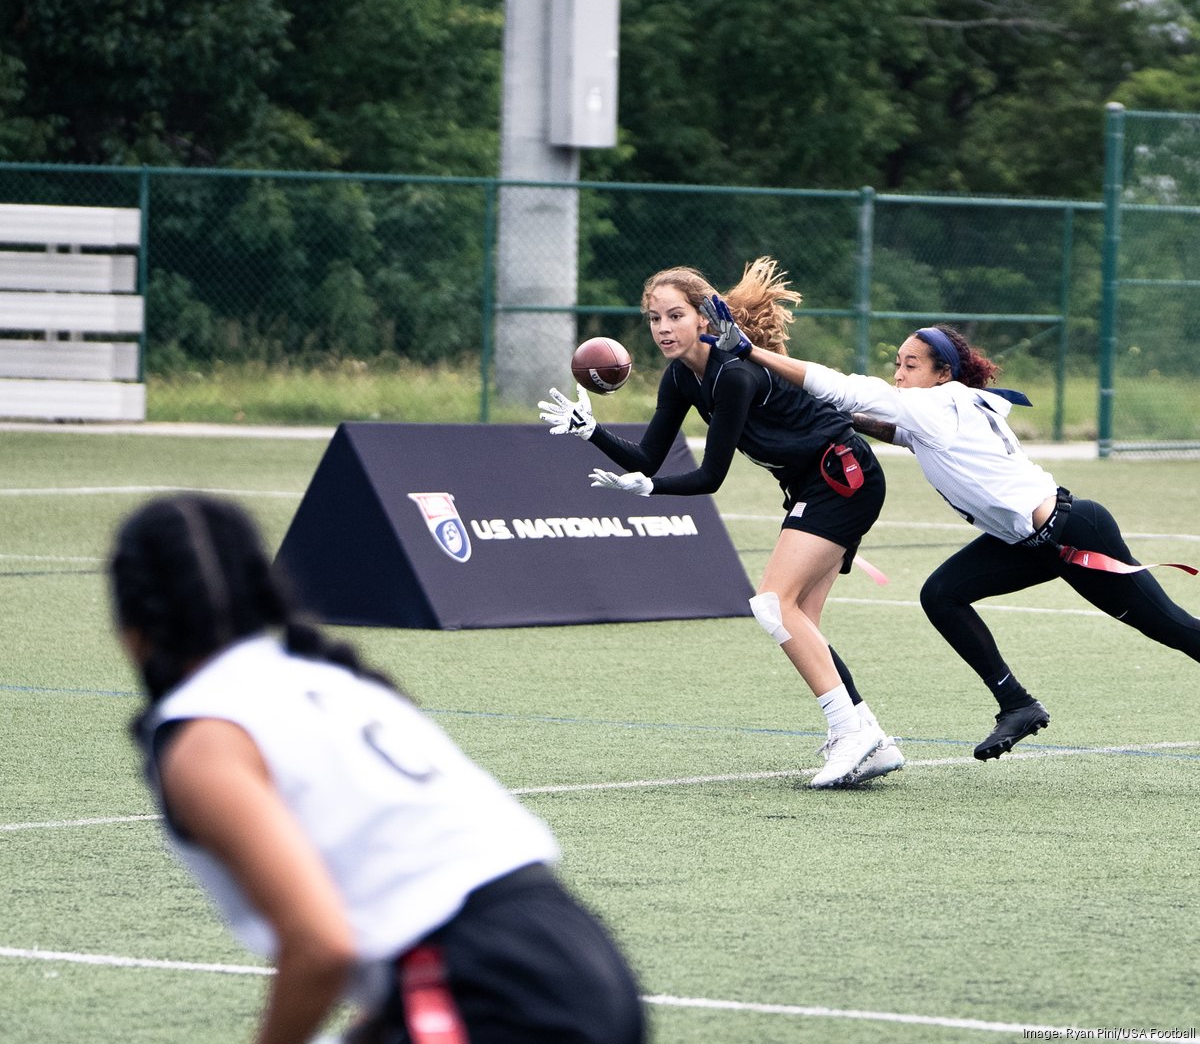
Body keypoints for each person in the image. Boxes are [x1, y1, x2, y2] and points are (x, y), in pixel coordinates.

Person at [107, 493, 645, 1044]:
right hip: (577, 953)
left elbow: (321, 946)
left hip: (489, 989)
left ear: (132, 622)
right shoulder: (335, 679)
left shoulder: (205, 737)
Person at [702, 300, 1200, 760]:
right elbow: (896, 430)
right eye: (897, 362)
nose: (899, 374)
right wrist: (840, 415)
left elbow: (845, 387)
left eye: (911, 365)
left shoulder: (937, 404)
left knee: (1173, 629)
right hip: (1027, 542)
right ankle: (1017, 704)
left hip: (1073, 533)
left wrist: (753, 352)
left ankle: (1020, 702)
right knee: (941, 594)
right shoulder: (947, 405)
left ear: (944, 373)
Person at [538, 257, 905, 790]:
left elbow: (710, 476)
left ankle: (849, 731)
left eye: (674, 315)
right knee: (798, 620)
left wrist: (652, 489)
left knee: (772, 605)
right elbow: (647, 457)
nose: (663, 328)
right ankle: (871, 736)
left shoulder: (734, 372)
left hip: (842, 476)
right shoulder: (681, 378)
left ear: (703, 318)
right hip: (817, 483)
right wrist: (590, 429)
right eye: (653, 318)